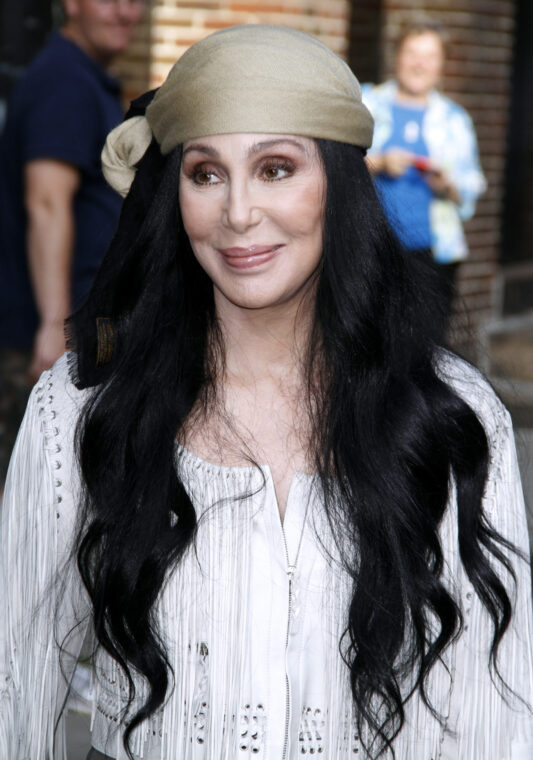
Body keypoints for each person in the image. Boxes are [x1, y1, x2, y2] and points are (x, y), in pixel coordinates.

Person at [1, 25, 532, 760]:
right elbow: (14, 680)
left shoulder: (449, 416)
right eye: (206, 173)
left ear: (337, 186)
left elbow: (492, 709)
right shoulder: (84, 408)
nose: (238, 212)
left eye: (276, 168)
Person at [0, 0, 145, 486]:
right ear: (71, 4)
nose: (126, 13)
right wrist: (54, 325)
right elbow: (46, 202)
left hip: (73, 329)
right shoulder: (64, 81)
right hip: (43, 341)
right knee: (33, 501)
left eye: (135, 1)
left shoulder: (84, 77)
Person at [361, 20, 486, 318]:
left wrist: (448, 186)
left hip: (433, 255)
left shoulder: (455, 120)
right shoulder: (367, 104)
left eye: (430, 56)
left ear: (442, 64)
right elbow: (336, 163)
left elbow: (472, 186)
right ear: (397, 56)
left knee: (424, 352)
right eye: (412, 53)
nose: (420, 64)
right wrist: (378, 162)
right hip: (370, 248)